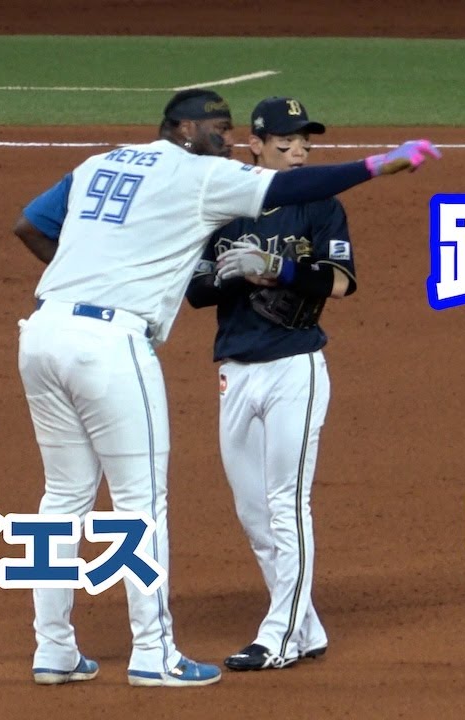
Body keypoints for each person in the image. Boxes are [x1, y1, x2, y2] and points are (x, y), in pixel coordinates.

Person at [11, 87, 440, 688]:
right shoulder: (200, 175)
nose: (228, 140)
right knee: (141, 504)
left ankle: (54, 648)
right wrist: (377, 164)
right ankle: (154, 653)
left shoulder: (99, 162)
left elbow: (28, 224)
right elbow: (290, 188)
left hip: (44, 331)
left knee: (62, 498)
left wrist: (88, 277)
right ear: (185, 130)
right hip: (109, 343)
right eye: (220, 129)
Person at [185, 96, 352, 672]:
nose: (299, 151)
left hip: (294, 369)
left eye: (305, 142)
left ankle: (277, 636)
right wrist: (231, 273)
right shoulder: (223, 207)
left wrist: (278, 268)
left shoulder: (320, 205)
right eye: (286, 143)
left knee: (286, 504)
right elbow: (196, 291)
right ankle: (306, 627)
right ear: (254, 145)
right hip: (234, 372)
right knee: (254, 515)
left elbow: (339, 282)